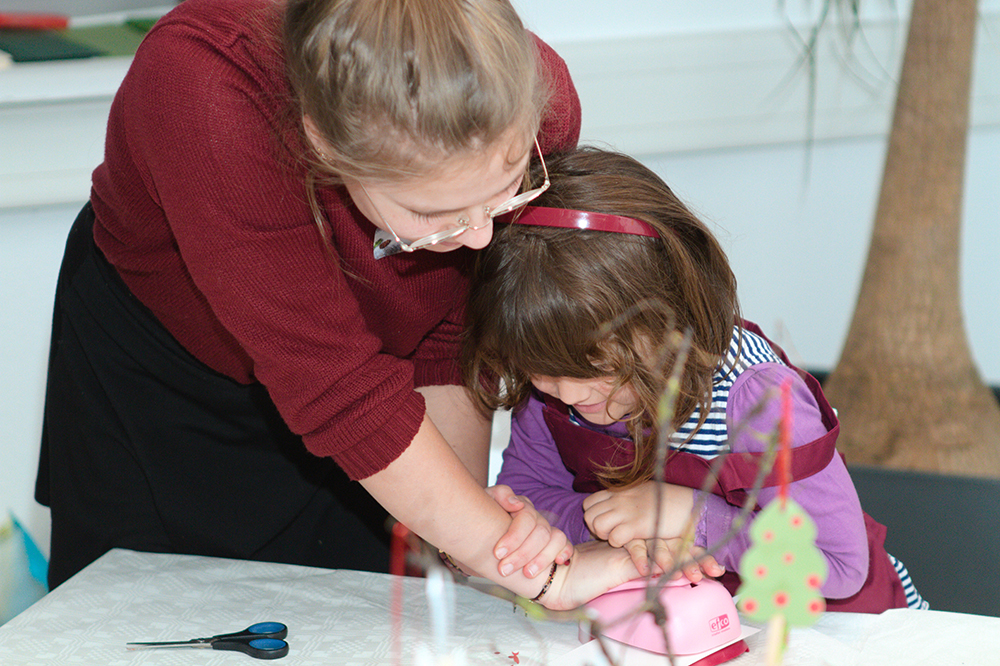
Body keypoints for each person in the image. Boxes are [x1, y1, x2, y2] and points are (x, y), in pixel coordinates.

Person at [35, 0, 640, 609]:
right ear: (322, 142)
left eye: (503, 196)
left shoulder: (532, 95)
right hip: (167, 378)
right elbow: (338, 388)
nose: (481, 236)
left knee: (375, 615)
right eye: (433, 216)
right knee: (144, 620)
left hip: (376, 395)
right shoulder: (207, 88)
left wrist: (470, 537)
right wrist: (541, 574)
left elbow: (452, 328)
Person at [462, 147, 929, 612]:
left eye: (598, 369)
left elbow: (841, 565)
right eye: (541, 372)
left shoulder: (760, 398)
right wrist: (620, 534)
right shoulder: (549, 379)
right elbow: (532, 497)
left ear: (672, 317)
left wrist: (691, 518)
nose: (568, 393)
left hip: (835, 626)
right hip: (692, 624)